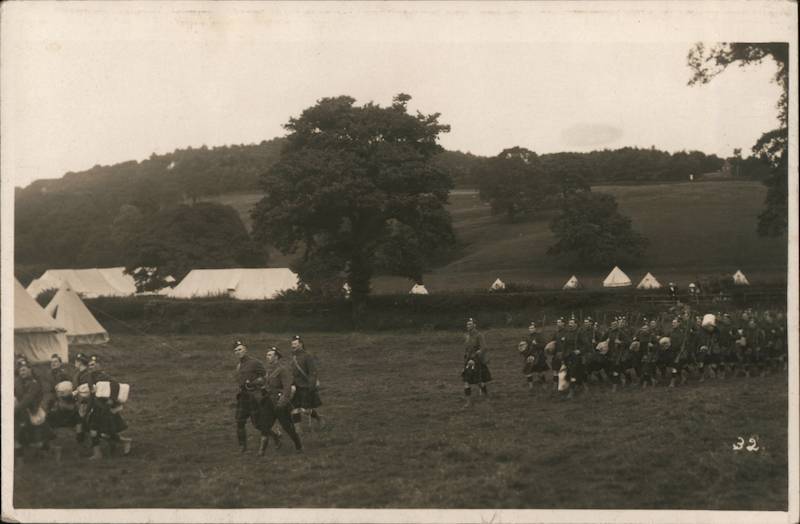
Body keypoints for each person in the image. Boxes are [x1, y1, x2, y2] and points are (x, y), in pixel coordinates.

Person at [83, 355, 131, 459]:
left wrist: (111, 400)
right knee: (94, 431)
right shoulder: (90, 377)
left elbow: (115, 385)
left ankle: (125, 442)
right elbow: (92, 395)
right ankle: (98, 453)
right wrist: (87, 411)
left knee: (105, 432)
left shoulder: (103, 376)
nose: (91, 367)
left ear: (99, 366)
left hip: (105, 408)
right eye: (90, 365)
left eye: (94, 365)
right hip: (96, 408)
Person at [259, 347, 303, 455]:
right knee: (265, 425)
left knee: (287, 426)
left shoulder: (283, 369)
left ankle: (298, 445)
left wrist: (281, 403)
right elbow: (268, 385)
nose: (267, 357)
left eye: (270, 355)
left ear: (276, 357)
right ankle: (262, 450)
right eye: (267, 354)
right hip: (269, 402)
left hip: (280, 403)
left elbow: (287, 388)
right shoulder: (268, 370)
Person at [14, 358, 56, 460]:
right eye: (20, 370)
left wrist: (13, 410)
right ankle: (19, 458)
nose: (22, 372)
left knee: (27, 437)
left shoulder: (34, 383)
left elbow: (27, 400)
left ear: (30, 370)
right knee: (17, 434)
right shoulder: (18, 382)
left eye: (24, 370)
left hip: (32, 412)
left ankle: (50, 450)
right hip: (22, 412)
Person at [233, 340, 270, 453]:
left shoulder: (255, 362)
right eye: (235, 350)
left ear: (245, 350)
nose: (238, 352)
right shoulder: (239, 366)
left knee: (258, 424)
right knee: (239, 421)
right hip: (243, 397)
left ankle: (275, 436)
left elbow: (266, 377)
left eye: (240, 349)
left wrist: (254, 382)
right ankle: (242, 447)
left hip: (253, 396)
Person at [290, 335, 324, 430]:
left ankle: (319, 418)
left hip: (305, 386)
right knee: (294, 408)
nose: (293, 346)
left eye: (295, 344)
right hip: (295, 386)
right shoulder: (294, 356)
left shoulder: (307, 356)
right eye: (292, 344)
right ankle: (298, 430)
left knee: (305, 410)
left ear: (301, 344)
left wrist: (311, 386)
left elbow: (313, 372)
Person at [461, 318, 491, 407]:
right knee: (466, 381)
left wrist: (475, 356)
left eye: (470, 324)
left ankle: (486, 395)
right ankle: (468, 402)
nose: (468, 326)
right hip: (468, 361)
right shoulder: (467, 336)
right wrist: (466, 357)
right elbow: (466, 349)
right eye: (467, 324)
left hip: (476, 361)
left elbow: (484, 348)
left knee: (478, 382)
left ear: (474, 325)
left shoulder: (479, 335)